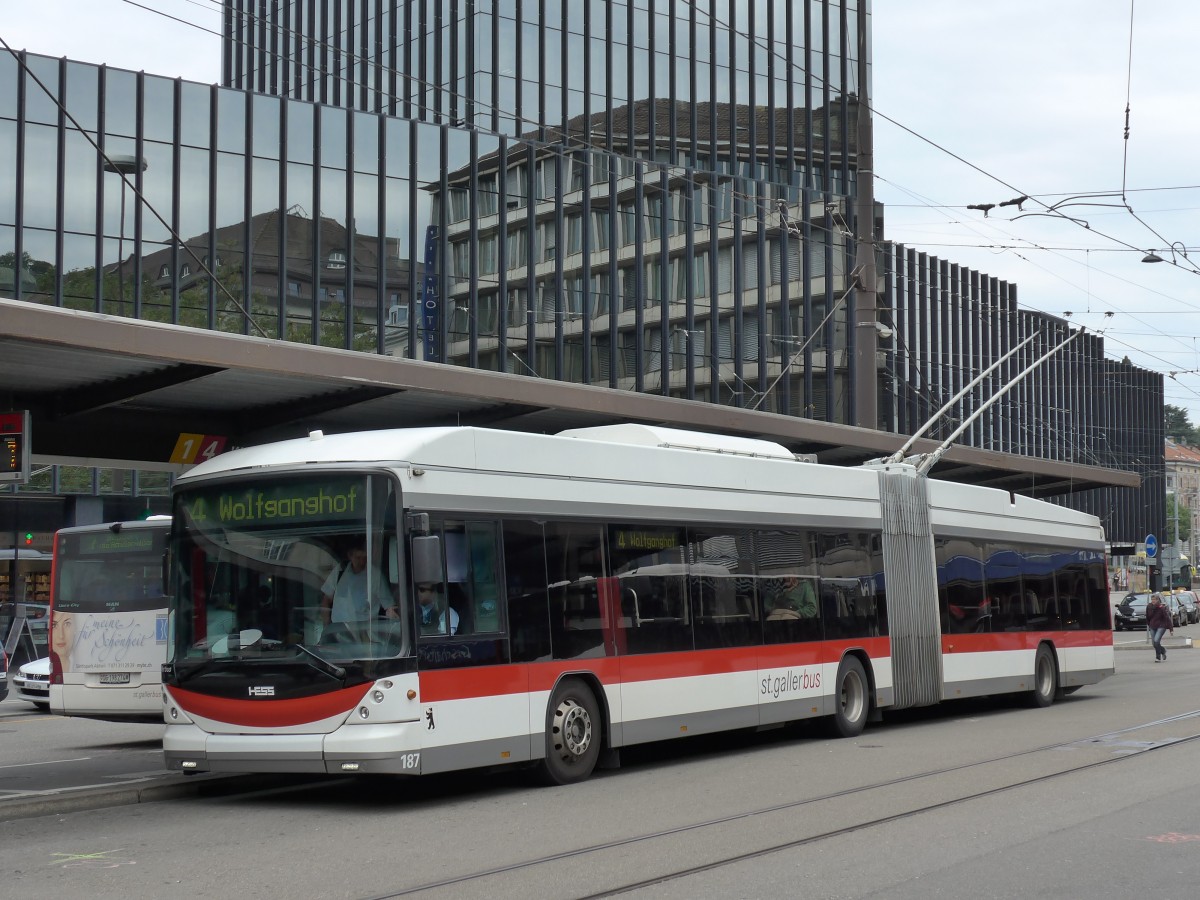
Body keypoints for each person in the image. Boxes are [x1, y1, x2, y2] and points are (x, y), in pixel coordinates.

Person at [320, 541, 395, 631]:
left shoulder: (375, 576)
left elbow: (389, 606)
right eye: (358, 558)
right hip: (338, 631)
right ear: (350, 556)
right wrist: (326, 625)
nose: (362, 562)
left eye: (364, 558)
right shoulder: (340, 571)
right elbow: (326, 599)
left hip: (364, 633)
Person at [1146, 593, 1174, 662]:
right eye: (1152, 599)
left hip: (1161, 626)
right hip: (1152, 626)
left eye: (1154, 599)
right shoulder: (1149, 607)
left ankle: (1158, 658)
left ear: (1157, 600)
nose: (1153, 601)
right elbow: (1147, 617)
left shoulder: (1161, 608)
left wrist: (1171, 629)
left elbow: (1167, 618)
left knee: (1156, 641)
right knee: (1154, 643)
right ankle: (1163, 650)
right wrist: (1149, 624)